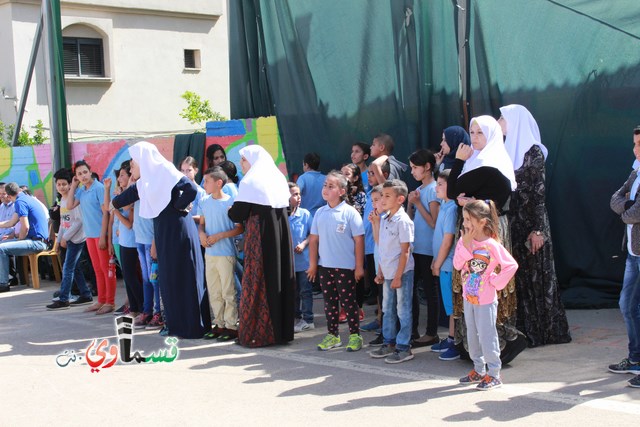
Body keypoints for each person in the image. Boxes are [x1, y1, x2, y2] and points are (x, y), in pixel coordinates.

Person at [112, 141, 210, 339]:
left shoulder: (166, 171)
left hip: (179, 229)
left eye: (133, 164)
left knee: (185, 275)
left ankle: (193, 325)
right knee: (169, 277)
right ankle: (175, 325)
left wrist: (177, 206)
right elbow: (119, 200)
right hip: (164, 231)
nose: (131, 168)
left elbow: (190, 190)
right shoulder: (145, 181)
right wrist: (121, 192)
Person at [448, 115, 526, 364]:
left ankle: (502, 342)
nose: (474, 138)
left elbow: (452, 191)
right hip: (476, 227)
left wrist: (457, 162)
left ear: (491, 134)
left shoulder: (488, 164)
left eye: (480, 133)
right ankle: (478, 346)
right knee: (471, 281)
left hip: (484, 230)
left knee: (484, 281)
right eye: (472, 132)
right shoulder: (480, 161)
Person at [499, 104, 571, 347]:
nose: (500, 122)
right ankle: (524, 332)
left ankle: (544, 332)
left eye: (503, 118)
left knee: (537, 277)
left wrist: (538, 229)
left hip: (532, 223)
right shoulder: (507, 150)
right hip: (514, 222)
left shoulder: (534, 152)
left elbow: (539, 194)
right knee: (519, 277)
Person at [228, 145, 295, 347]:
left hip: (260, 239)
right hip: (281, 238)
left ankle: (259, 333)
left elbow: (237, 214)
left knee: (257, 280)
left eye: (243, 160)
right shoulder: (277, 178)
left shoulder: (251, 181)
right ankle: (281, 333)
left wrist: (230, 209)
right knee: (279, 279)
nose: (241, 164)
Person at [455, 200, 518, 391]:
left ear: (482, 222)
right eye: (464, 218)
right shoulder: (463, 240)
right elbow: (458, 265)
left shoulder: (491, 245)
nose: (465, 223)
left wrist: (495, 282)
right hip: (469, 297)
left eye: (469, 219)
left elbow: (511, 265)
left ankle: (494, 373)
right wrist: (465, 246)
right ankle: (478, 369)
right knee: (472, 334)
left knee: (487, 334)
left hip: (486, 300)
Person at [307, 171, 365, 352]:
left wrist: (359, 267)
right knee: (329, 302)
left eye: (331, 186)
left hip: (346, 267)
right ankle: (333, 335)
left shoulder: (350, 213)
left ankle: (355, 335)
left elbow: (359, 240)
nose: (325, 189)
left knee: (348, 302)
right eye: (325, 185)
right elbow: (314, 240)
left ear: (341, 191)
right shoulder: (320, 213)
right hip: (326, 267)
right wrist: (313, 264)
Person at [369, 179, 415, 363]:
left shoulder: (403, 221)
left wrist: (397, 277)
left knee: (403, 310)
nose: (383, 199)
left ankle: (404, 347)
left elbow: (405, 251)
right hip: (387, 273)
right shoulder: (386, 218)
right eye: (382, 196)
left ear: (400, 199)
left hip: (401, 274)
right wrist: (380, 271)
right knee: (388, 309)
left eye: (387, 196)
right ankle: (389, 343)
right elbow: (383, 248)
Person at [609, 125, 640, 388]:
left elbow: (635, 212)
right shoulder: (635, 171)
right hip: (633, 253)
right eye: (634, 144)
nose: (636, 149)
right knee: (627, 306)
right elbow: (615, 199)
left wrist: (627, 208)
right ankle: (635, 359)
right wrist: (628, 206)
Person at [199, 167, 243, 342]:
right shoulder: (204, 201)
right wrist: (201, 234)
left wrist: (220, 236)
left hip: (225, 253)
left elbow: (240, 228)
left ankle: (232, 326)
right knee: (214, 290)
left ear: (219, 183)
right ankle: (219, 324)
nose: (204, 184)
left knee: (228, 291)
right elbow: (201, 224)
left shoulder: (230, 202)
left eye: (207, 181)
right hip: (210, 253)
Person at [67, 161, 115, 314]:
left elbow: (106, 213)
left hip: (100, 235)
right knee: (97, 269)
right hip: (89, 236)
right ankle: (101, 300)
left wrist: (103, 237)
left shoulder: (99, 188)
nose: (83, 176)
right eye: (79, 174)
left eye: (85, 172)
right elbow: (69, 205)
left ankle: (110, 302)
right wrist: (73, 186)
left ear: (90, 171)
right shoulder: (82, 190)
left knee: (107, 268)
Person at [407, 149, 440, 348]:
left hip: (428, 250)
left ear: (427, 167)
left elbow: (434, 223)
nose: (412, 172)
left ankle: (431, 333)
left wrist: (417, 203)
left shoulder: (434, 190)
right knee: (411, 289)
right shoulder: (419, 190)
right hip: (416, 248)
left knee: (430, 291)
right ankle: (412, 330)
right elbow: (411, 220)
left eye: (415, 168)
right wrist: (411, 204)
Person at [46, 169, 93, 310]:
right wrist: (59, 239)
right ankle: (85, 294)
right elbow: (63, 222)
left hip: (77, 239)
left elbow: (79, 221)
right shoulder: (62, 200)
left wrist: (65, 238)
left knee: (68, 268)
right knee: (75, 267)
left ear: (70, 184)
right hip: (68, 239)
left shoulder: (74, 199)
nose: (61, 187)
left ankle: (64, 298)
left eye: (64, 184)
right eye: (58, 184)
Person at [104, 163, 143, 317]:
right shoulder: (121, 194)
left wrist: (116, 208)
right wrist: (108, 191)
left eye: (122, 175)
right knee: (128, 275)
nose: (119, 179)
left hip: (132, 241)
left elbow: (127, 217)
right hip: (123, 241)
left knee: (132, 276)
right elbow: (109, 208)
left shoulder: (131, 194)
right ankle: (134, 308)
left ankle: (141, 306)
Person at [429, 169, 460, 360]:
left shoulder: (453, 209)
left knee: (453, 308)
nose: (436, 187)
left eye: (441, 184)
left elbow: (448, 240)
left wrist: (437, 263)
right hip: (442, 263)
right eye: (437, 183)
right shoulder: (444, 205)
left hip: (448, 266)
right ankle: (450, 338)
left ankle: (454, 342)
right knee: (450, 307)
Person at [0, 183, 49, 292]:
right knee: (3, 244)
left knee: (1, 248)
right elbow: (11, 222)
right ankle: (4, 280)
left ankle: (3, 284)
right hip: (36, 240)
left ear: (8, 195)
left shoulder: (20, 202)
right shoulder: (26, 198)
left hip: (37, 242)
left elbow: (25, 227)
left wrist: (19, 240)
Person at [288, 182, 314, 333]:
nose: (298, 197)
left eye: (299, 194)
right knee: (293, 291)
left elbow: (312, 234)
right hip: (290, 263)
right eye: (294, 194)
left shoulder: (305, 214)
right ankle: (296, 317)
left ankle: (308, 319)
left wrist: (304, 244)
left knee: (306, 290)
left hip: (304, 262)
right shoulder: (281, 215)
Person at [180, 156, 208, 225]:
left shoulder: (201, 192)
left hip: (195, 232)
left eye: (189, 170)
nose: (185, 174)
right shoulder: (178, 191)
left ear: (196, 171)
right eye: (182, 170)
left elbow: (203, 217)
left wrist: (183, 217)